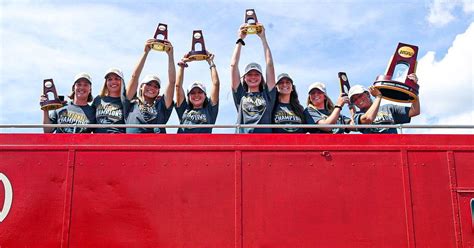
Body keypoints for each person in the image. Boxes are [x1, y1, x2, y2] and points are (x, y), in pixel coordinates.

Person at [231, 23, 276, 133]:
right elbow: (233, 66)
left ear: (261, 77)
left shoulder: (268, 95)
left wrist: (263, 38)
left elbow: (269, 65)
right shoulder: (240, 95)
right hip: (243, 142)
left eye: (256, 74)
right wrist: (240, 39)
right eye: (250, 74)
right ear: (245, 78)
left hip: (264, 142)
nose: (253, 77)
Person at [125, 39, 175, 133]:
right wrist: (145, 52)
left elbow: (172, 82)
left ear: (159, 91)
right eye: (148, 84)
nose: (152, 88)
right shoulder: (130, 103)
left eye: (156, 86)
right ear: (141, 87)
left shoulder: (162, 106)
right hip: (133, 146)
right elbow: (134, 77)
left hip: (157, 146)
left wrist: (170, 55)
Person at [348, 73, 421, 134]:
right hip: (375, 150)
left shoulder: (388, 108)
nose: (358, 100)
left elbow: (415, 111)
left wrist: (413, 88)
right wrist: (379, 96)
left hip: (394, 148)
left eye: (359, 96)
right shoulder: (357, 116)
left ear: (367, 94)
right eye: (354, 100)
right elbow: (368, 118)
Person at [174, 53, 220, 133]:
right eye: (192, 93)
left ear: (205, 95)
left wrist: (211, 62)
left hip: (203, 144)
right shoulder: (184, 108)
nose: (196, 95)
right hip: (184, 144)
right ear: (188, 96)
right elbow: (178, 86)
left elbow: (216, 84)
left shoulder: (210, 109)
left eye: (200, 92)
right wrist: (182, 65)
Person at [92, 68, 131, 133]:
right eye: (110, 79)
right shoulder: (98, 99)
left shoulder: (125, 101)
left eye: (117, 79)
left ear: (122, 81)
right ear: (106, 82)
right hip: (98, 140)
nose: (113, 82)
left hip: (118, 139)